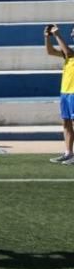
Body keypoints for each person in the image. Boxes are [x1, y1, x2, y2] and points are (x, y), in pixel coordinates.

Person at [44, 24, 74, 164]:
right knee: (66, 123)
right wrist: (47, 37)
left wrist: (57, 35)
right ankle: (68, 153)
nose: (72, 31)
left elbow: (68, 53)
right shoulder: (69, 51)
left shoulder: (70, 51)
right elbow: (50, 52)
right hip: (66, 91)